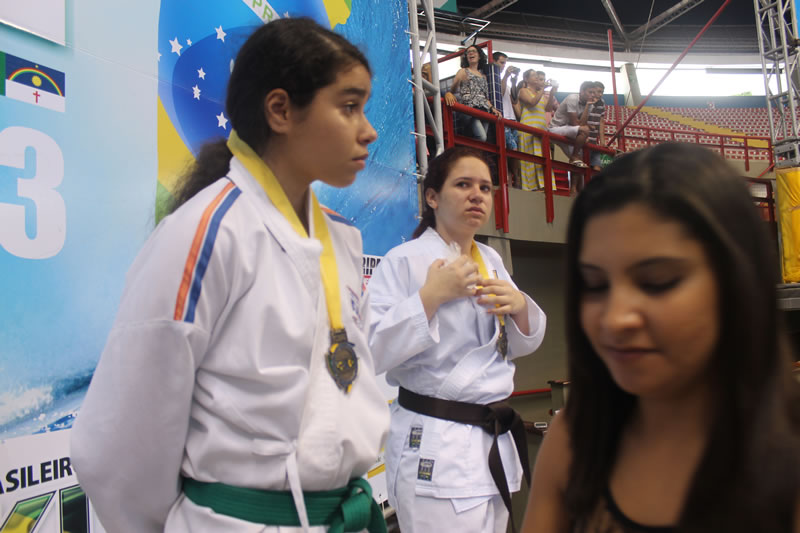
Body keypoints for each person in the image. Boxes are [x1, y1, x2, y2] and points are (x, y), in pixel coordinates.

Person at [70, 18, 390, 533]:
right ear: (280, 110)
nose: (368, 129)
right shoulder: (206, 233)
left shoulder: (343, 239)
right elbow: (120, 442)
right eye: (349, 106)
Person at [522, 142, 800, 533]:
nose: (616, 318)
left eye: (658, 281)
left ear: (737, 284)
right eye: (595, 285)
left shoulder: (787, 451)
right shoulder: (574, 439)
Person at [367, 146, 547, 533]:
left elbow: (512, 347)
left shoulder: (491, 260)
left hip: (490, 444)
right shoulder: (404, 260)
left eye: (485, 187)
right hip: (437, 444)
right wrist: (430, 297)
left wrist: (519, 306)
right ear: (432, 197)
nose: (477, 195)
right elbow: (371, 349)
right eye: (463, 184)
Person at [444, 45, 502, 142]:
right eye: (468, 52)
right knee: (482, 137)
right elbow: (452, 89)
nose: (471, 53)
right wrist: (448, 93)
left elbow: (485, 97)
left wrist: (493, 109)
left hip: (484, 109)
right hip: (470, 109)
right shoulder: (463, 71)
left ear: (479, 56)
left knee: (484, 139)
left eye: (474, 51)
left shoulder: (483, 76)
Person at [518, 70, 558, 192]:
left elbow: (548, 108)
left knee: (543, 158)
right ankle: (532, 187)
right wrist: (542, 89)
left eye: (537, 76)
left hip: (541, 129)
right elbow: (532, 103)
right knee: (531, 158)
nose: (537, 78)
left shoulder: (540, 93)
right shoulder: (523, 90)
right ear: (526, 79)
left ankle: (545, 185)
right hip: (529, 128)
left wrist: (552, 92)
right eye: (534, 76)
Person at [547, 81, 593, 174]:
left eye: (593, 93)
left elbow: (581, 124)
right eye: (590, 92)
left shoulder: (590, 105)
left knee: (580, 161)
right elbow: (575, 123)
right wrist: (583, 128)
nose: (592, 95)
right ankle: (574, 156)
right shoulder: (572, 98)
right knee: (585, 131)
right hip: (555, 129)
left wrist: (588, 105)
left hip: (569, 131)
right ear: (582, 92)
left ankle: (574, 185)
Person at [492, 51, 522, 186]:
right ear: (493, 62)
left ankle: (514, 177)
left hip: (512, 119)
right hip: (503, 119)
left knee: (514, 152)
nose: (504, 66)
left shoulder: (506, 82)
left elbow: (514, 99)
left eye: (505, 63)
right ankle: (512, 179)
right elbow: (499, 94)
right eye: (501, 62)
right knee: (511, 150)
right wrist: (506, 76)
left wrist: (514, 81)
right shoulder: (493, 79)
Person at [585, 82, 606, 172]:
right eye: (599, 91)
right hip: (583, 139)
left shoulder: (602, 103)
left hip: (594, 141)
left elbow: (601, 122)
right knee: (583, 167)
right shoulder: (587, 101)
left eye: (602, 92)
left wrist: (602, 141)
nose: (600, 94)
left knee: (597, 167)